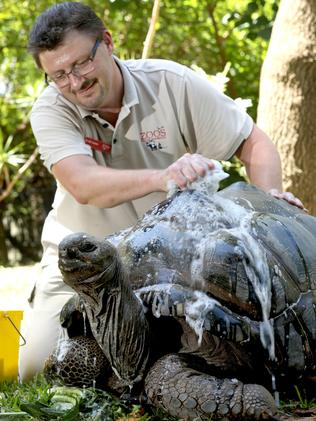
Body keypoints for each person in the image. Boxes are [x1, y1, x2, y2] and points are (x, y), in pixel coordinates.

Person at [19, 1, 304, 381]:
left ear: (107, 42)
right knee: (38, 367)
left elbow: (253, 142)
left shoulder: (172, 83)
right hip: (87, 261)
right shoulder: (51, 110)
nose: (74, 82)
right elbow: (84, 185)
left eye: (81, 64)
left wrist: (268, 202)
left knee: (232, 362)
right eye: (59, 75)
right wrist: (163, 176)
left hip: (176, 259)